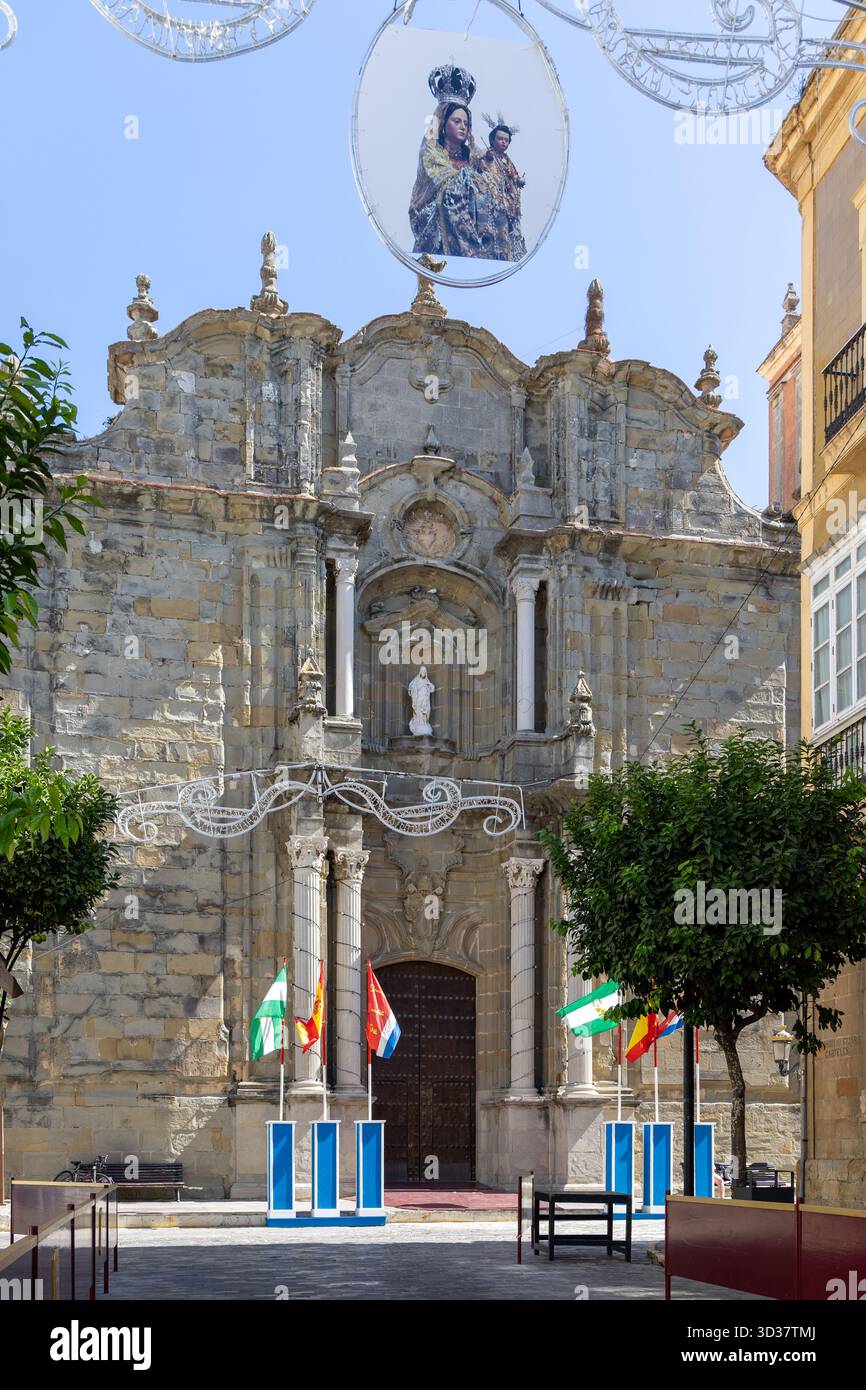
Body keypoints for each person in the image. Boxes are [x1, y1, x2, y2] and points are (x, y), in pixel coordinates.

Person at [409, 99, 495, 259]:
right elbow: (439, 179)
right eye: (457, 121)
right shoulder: (432, 153)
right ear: (442, 123)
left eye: (466, 123)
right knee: (452, 191)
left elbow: (485, 175)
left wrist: (488, 161)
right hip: (439, 220)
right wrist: (464, 179)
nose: (463, 127)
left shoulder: (472, 155)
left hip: (476, 222)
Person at [480, 120, 527, 262]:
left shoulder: (507, 159)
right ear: (492, 140)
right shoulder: (488, 155)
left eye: (506, 140)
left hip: (510, 203)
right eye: (500, 139)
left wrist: (519, 180)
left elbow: (514, 174)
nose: (503, 142)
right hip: (494, 201)